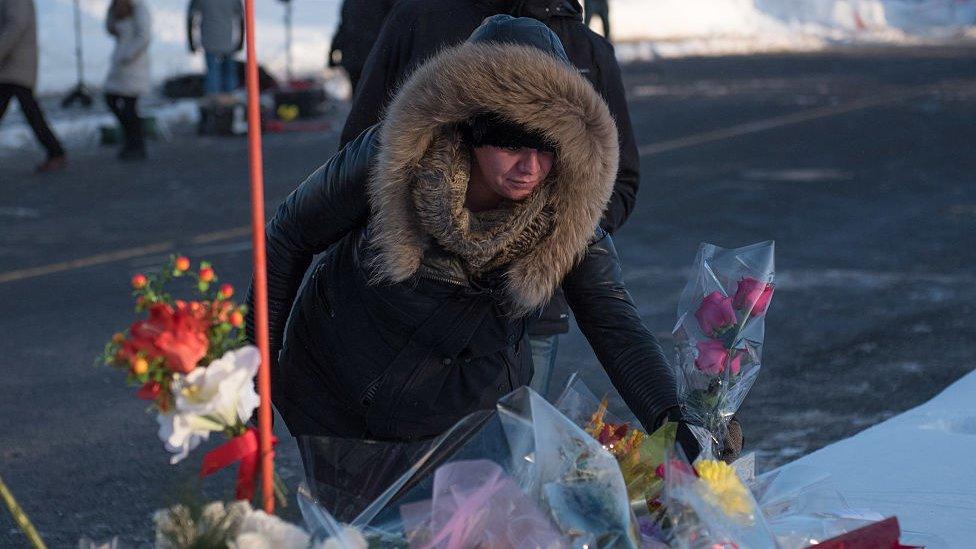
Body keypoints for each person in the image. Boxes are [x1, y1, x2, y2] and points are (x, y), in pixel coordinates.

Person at [248, 16, 712, 488]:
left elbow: (613, 321)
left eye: (548, 148)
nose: (530, 167)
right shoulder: (391, 159)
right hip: (338, 399)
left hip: (468, 418)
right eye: (511, 144)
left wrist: (672, 420)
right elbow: (288, 237)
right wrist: (254, 367)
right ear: (469, 128)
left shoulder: (564, 208)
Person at [337, 0, 641, 400]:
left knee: (514, 450)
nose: (531, 165)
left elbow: (619, 180)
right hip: (413, 302)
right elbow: (360, 154)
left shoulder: (584, 47)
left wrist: (555, 237)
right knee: (413, 442)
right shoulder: (422, 18)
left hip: (530, 308)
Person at [0, 0, 67, 172]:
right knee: (31, 111)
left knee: (31, 111)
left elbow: (15, 26)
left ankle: (56, 152)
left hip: (15, 64)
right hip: (13, 65)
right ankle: (55, 151)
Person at [104, 0, 151, 161]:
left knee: (129, 106)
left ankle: (136, 143)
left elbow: (144, 36)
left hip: (134, 65)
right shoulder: (116, 7)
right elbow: (110, 28)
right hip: (119, 64)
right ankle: (131, 139)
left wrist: (128, 55)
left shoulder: (139, 8)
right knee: (111, 99)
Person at [327, 0, 396, 94]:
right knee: (380, 97)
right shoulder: (384, 3)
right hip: (377, 57)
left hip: (355, 60)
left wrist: (332, 56)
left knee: (359, 97)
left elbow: (343, 29)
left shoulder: (349, 2)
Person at [187, 0, 243, 96]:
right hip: (228, 40)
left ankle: (213, 99)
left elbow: (191, 18)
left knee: (212, 72)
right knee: (229, 72)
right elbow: (241, 19)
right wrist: (241, 41)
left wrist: (191, 41)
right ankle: (229, 99)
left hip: (209, 41)